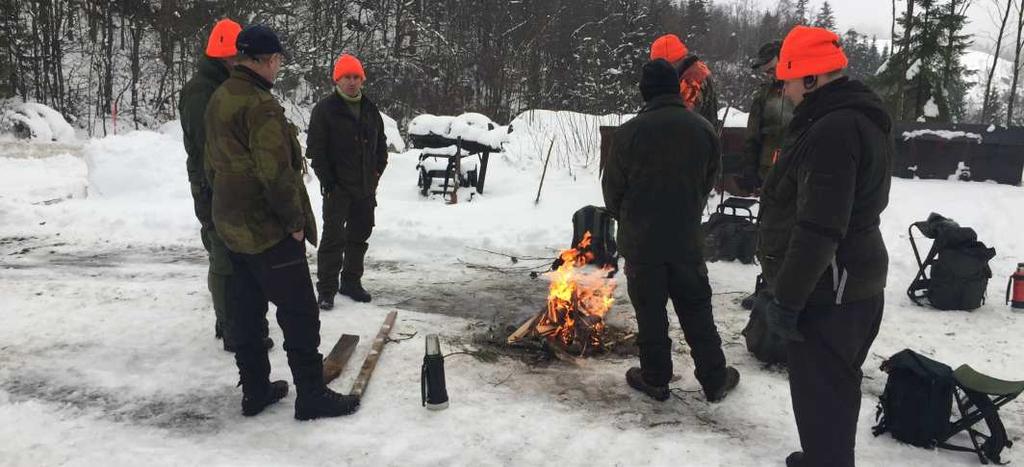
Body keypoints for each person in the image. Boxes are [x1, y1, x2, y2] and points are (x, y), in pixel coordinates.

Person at [205, 24, 359, 419]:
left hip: (230, 224)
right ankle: (311, 394)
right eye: (278, 62)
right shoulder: (260, 105)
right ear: (268, 60)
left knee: (247, 309)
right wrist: (294, 221)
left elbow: (211, 163)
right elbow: (275, 173)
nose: (278, 68)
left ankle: (255, 389)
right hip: (266, 229)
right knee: (300, 312)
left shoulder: (220, 96)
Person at [755, 26, 892, 466]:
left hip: (831, 291)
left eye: (789, 81)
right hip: (851, 282)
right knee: (833, 390)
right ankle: (824, 457)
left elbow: (819, 227)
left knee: (822, 394)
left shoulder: (834, 129)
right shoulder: (849, 118)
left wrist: (788, 300)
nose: (786, 90)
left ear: (811, 78)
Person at [602, 59, 740, 403]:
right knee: (697, 311)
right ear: (675, 88)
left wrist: (633, 219)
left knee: (650, 314)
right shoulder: (703, 129)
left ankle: (656, 378)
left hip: (642, 243)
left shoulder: (629, 132)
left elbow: (612, 192)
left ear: (645, 91)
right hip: (686, 242)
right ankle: (714, 378)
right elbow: (709, 180)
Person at [179, 19, 273, 352]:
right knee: (224, 258)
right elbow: (210, 148)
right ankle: (232, 327)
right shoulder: (203, 92)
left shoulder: (221, 86)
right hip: (212, 186)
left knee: (232, 255)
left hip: (222, 184)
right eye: (239, 57)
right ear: (225, 57)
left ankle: (234, 321)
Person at [306, 53, 388, 309]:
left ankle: (351, 282)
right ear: (337, 80)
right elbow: (316, 151)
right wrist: (329, 183)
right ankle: (327, 290)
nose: (352, 82)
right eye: (346, 77)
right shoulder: (325, 110)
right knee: (332, 239)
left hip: (365, 188)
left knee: (359, 236)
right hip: (337, 189)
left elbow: (381, 146)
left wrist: (376, 173)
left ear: (362, 80)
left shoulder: (370, 109)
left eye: (356, 77)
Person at [741, 40, 794, 193]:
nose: (769, 73)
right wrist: (749, 166)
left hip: (795, 173)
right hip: (767, 174)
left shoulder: (803, 89)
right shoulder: (764, 94)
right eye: (767, 71)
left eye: (772, 68)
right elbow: (752, 134)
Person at [649, 33, 720, 127]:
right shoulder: (693, 70)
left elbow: (677, 122)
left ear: (671, 62)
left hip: (694, 139)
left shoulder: (691, 81)